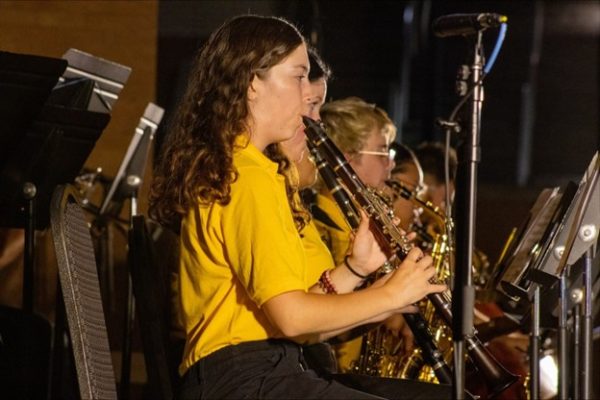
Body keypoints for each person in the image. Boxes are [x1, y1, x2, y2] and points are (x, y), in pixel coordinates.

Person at [150, 15, 448, 399]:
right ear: (252, 83)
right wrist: (389, 297)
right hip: (243, 380)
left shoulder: (256, 171)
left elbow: (297, 317)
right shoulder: (246, 175)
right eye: (298, 76)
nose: (307, 96)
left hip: (266, 369)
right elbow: (292, 319)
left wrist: (357, 270)